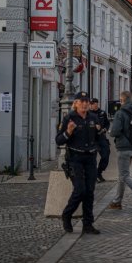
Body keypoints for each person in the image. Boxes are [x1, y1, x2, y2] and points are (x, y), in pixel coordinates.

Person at [55, 91, 102, 235]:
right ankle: (67, 215)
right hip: (75, 159)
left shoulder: (93, 118)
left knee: (89, 192)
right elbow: (58, 140)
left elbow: (98, 138)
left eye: (87, 101)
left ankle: (88, 224)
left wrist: (100, 135)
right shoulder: (69, 118)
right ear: (75, 103)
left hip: (90, 159)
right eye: (82, 101)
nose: (85, 103)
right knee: (80, 190)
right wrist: (68, 132)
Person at [89, 98, 110, 183]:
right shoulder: (88, 114)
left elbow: (107, 123)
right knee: (92, 159)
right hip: (92, 139)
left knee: (106, 156)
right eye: (92, 104)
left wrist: (105, 129)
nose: (94, 105)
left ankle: (99, 172)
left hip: (101, 137)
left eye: (95, 103)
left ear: (97, 104)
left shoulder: (102, 113)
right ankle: (93, 176)